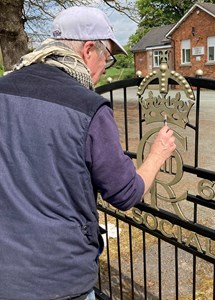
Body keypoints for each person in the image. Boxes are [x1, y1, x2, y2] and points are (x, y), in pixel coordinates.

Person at [0, 6, 176, 300]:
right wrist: (158, 154)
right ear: (88, 50)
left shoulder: (5, 88)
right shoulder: (87, 107)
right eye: (106, 59)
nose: (104, 69)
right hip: (58, 281)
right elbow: (126, 194)